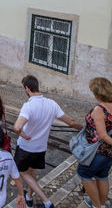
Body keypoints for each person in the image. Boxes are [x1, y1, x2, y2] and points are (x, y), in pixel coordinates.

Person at [14, 75, 83, 208]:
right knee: (32, 171)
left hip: (26, 148)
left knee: (22, 172)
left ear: (27, 88)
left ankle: (47, 202)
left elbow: (17, 127)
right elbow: (72, 122)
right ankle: (29, 198)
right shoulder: (52, 104)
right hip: (40, 149)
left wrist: (22, 134)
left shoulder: (28, 106)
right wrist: (85, 128)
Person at [77, 77, 112, 208]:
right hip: (109, 154)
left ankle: (96, 206)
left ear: (97, 93)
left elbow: (103, 135)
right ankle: (101, 205)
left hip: (96, 153)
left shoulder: (99, 110)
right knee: (102, 176)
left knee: (84, 174)